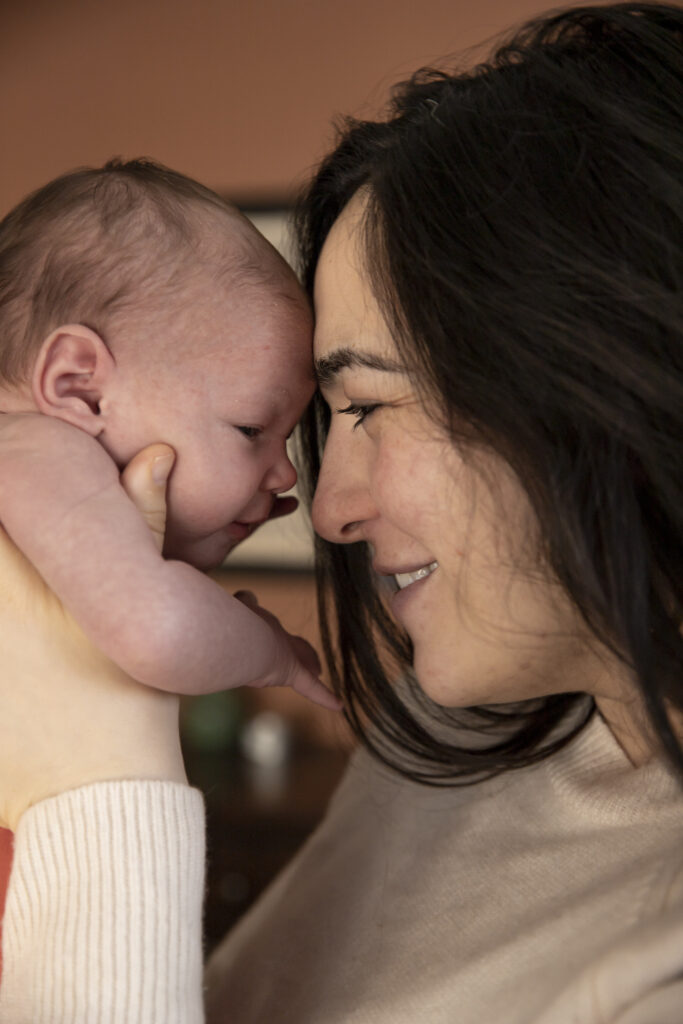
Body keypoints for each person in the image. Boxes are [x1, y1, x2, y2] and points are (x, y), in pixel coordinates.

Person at [1, 3, 682, 1022]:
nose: (321, 510)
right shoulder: (459, 724)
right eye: (336, 414)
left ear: (597, 371)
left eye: (365, 404)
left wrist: (103, 779)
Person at [0, 160, 338, 711]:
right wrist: (268, 650)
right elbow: (159, 632)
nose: (286, 473)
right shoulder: (37, 452)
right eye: (251, 428)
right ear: (80, 390)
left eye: (287, 435)